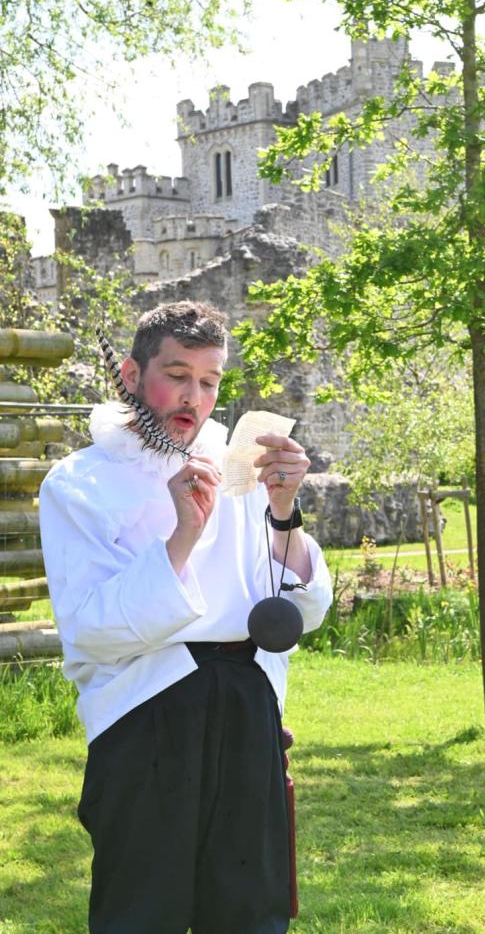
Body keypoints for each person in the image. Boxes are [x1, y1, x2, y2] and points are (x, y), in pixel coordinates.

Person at [39, 300, 332, 934]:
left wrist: (283, 510)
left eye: (209, 380)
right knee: (142, 912)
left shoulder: (241, 471)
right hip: (143, 711)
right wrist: (181, 538)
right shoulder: (77, 484)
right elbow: (88, 629)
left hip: (246, 706)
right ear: (130, 374)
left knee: (249, 910)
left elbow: (295, 610)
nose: (193, 397)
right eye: (176, 374)